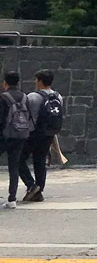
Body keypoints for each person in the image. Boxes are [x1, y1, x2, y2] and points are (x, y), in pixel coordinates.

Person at [18, 70, 61, 203]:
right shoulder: (58, 97)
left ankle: (32, 186)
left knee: (18, 159)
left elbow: (25, 114)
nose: (35, 82)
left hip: (33, 134)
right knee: (40, 161)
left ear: (40, 81)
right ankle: (38, 190)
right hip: (49, 133)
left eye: (36, 80)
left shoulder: (33, 97)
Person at [0, 71, 31, 209]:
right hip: (20, 135)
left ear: (5, 82)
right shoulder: (25, 97)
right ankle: (12, 199)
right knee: (14, 166)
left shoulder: (3, 97)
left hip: (4, 136)